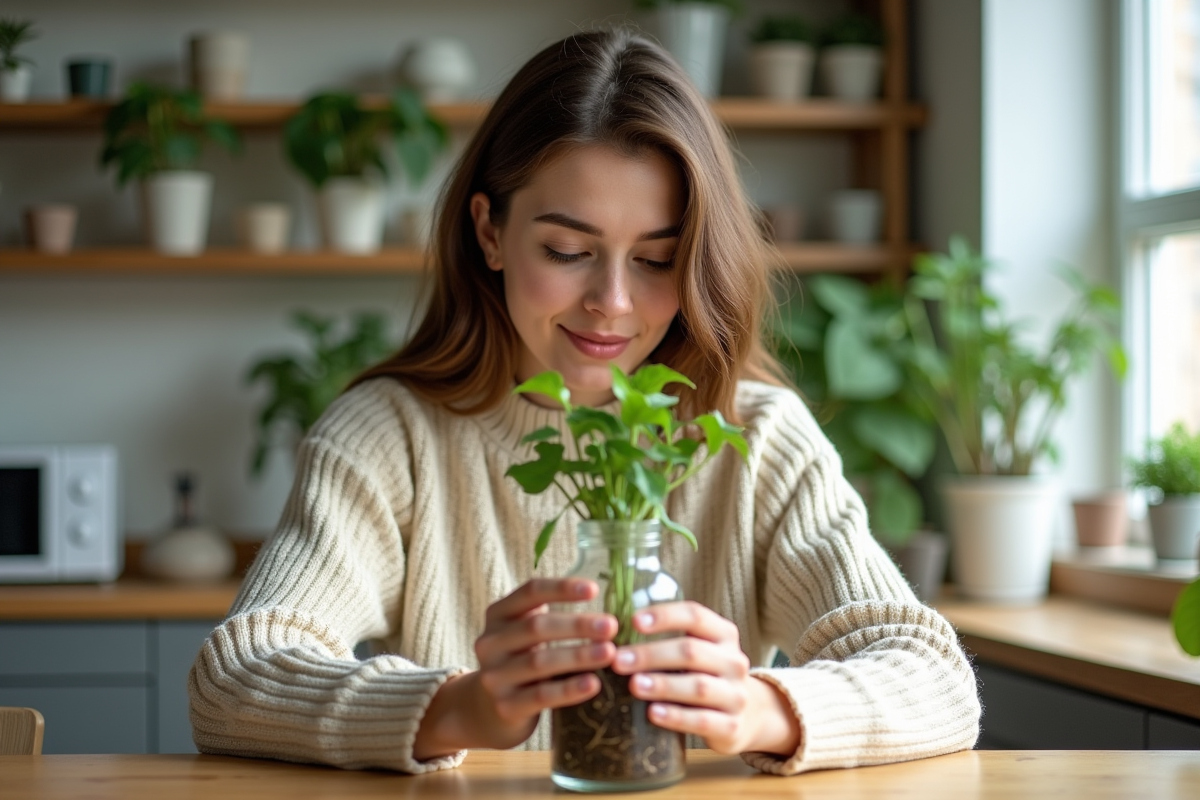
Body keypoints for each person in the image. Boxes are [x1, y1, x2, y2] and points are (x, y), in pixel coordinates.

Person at [188, 28, 980, 776]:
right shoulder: (389, 436)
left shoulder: (757, 435)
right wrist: (458, 707)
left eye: (658, 259)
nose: (611, 301)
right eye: (567, 251)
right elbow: (233, 679)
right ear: (490, 232)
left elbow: (936, 680)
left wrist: (753, 708)